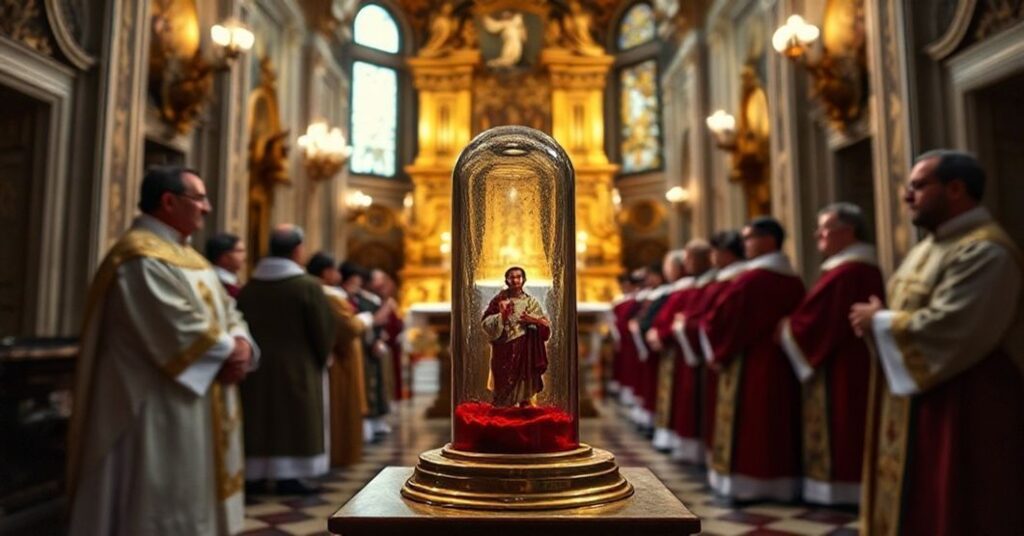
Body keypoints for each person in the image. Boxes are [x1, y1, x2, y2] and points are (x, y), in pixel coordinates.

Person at [68, 166, 257, 536]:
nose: (207, 207)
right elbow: (174, 326)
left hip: (198, 399)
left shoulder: (189, 256)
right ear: (168, 201)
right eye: (199, 198)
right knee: (161, 497)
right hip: (155, 402)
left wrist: (242, 345)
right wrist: (227, 353)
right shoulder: (140, 258)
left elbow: (229, 310)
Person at [850, 150, 1024, 535]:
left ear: (957, 188)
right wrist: (883, 318)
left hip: (966, 402)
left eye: (918, 185)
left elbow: (952, 325)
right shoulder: (928, 247)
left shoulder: (985, 250)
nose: (907, 196)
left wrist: (879, 320)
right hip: (922, 399)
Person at [778, 203, 884, 505]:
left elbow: (818, 319)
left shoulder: (848, 272)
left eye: (824, 228)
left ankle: (839, 488)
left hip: (843, 366)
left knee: (844, 423)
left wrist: (788, 328)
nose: (817, 235)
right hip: (845, 361)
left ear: (848, 231)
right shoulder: (851, 269)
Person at [699, 217, 804, 500]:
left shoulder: (752, 280)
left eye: (749, 238)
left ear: (769, 240)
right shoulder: (792, 279)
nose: (744, 244)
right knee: (778, 422)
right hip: (782, 364)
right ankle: (782, 482)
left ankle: (750, 483)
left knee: (753, 424)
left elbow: (725, 319)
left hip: (750, 365)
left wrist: (718, 350)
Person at [237, 225, 336, 495]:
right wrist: (322, 356)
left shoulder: (250, 287)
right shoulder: (307, 286)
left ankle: (255, 474)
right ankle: (289, 475)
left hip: (257, 367)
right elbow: (322, 329)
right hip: (298, 365)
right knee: (294, 419)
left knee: (260, 418)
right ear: (297, 250)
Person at [681, 231, 745, 459]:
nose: (712, 257)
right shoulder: (720, 281)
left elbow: (716, 318)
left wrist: (686, 326)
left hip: (731, 356)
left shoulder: (734, 281)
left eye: (714, 252)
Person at [649, 240, 713, 463]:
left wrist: (667, 331)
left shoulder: (701, 287)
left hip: (688, 353)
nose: (686, 263)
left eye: (689, 258)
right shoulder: (690, 287)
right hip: (678, 349)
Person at [307, 252, 370, 467]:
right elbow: (348, 327)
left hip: (341, 357)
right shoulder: (330, 296)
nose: (338, 275)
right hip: (341, 361)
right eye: (334, 270)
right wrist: (364, 320)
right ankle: (341, 453)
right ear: (326, 273)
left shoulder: (327, 293)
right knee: (340, 408)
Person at [481, 266, 551, 406]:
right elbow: (485, 323)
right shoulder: (499, 301)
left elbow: (544, 326)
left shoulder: (531, 302)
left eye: (518, 277)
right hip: (504, 345)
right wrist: (501, 316)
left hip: (525, 345)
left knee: (525, 376)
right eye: (511, 277)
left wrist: (533, 320)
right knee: (503, 375)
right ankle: (503, 404)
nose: (515, 280)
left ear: (524, 280)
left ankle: (525, 402)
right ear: (507, 280)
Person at [340, 261, 394, 440]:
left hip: (368, 346)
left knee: (374, 383)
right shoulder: (344, 299)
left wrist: (378, 337)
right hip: (357, 348)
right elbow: (365, 321)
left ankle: (376, 420)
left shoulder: (364, 299)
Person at [205, 233, 246, 298]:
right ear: (224, 256)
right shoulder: (216, 282)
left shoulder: (233, 281)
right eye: (239, 251)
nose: (244, 256)